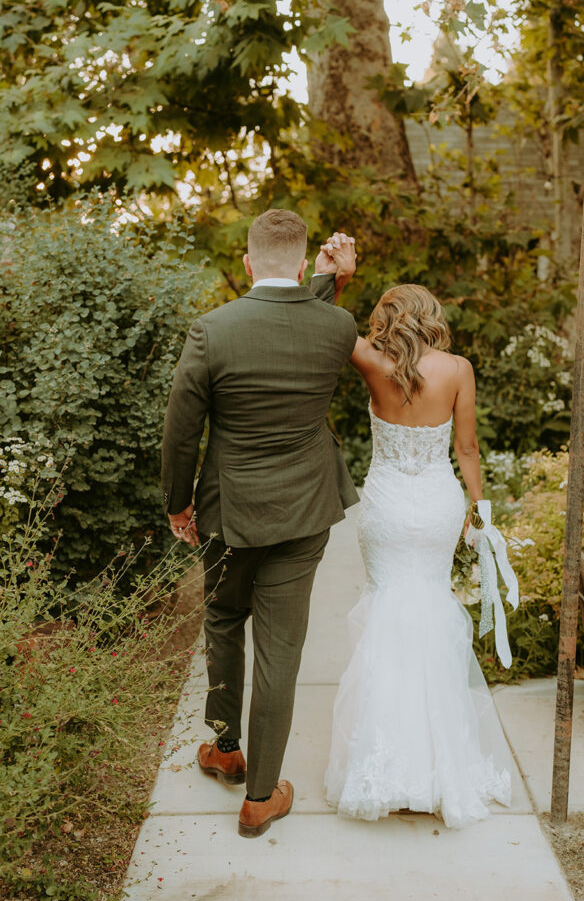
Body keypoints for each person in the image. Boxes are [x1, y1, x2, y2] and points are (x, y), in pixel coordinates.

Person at [161, 210, 358, 839]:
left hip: (229, 509)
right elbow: (303, 318)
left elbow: (180, 428)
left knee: (222, 619)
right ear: (303, 264)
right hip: (304, 511)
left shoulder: (212, 330)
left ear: (247, 263)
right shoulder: (337, 325)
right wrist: (334, 279)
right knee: (281, 651)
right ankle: (261, 796)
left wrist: (176, 503)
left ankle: (223, 748)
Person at [322, 240, 517, 828]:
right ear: (432, 317)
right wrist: (478, 514)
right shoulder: (458, 370)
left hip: (384, 503)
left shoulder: (371, 362)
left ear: (386, 320)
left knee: (387, 611)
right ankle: (439, 763)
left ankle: (384, 761)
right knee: (430, 610)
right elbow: (467, 450)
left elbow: (324, 320)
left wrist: (342, 277)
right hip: (435, 502)